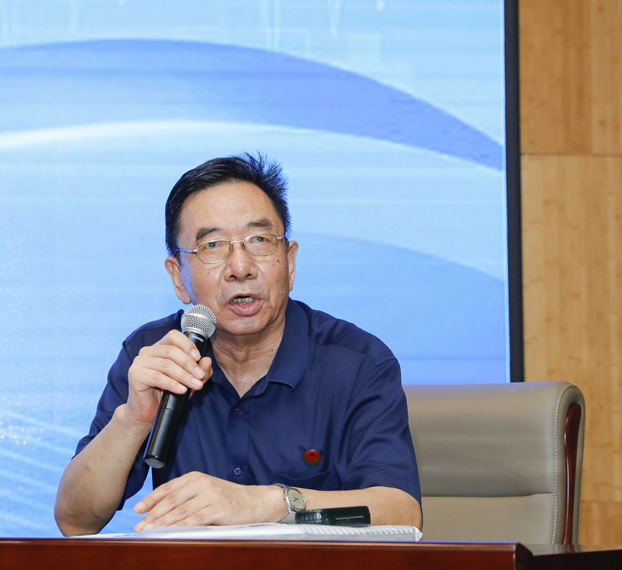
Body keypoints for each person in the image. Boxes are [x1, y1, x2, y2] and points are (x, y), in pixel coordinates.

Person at [54, 153, 422, 536]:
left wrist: (268, 503)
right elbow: (75, 520)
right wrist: (134, 419)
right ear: (178, 278)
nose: (241, 267)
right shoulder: (154, 355)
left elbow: (403, 513)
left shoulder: (358, 363)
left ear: (290, 262)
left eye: (259, 240)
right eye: (213, 246)